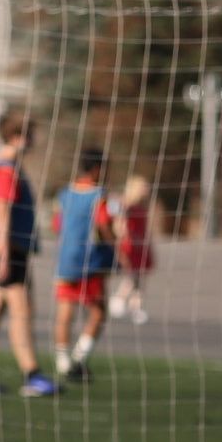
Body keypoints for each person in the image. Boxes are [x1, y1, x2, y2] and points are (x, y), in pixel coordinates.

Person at [0, 113, 56, 397]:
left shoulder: (8, 167)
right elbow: (1, 212)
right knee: (22, 310)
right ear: (18, 136)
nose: (33, 141)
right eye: (29, 134)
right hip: (6, 249)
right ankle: (32, 375)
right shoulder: (6, 170)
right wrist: (4, 253)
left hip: (2, 248)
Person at [51, 148, 116, 386]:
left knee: (65, 311)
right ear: (98, 168)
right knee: (98, 310)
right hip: (91, 261)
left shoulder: (64, 193)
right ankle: (79, 358)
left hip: (66, 258)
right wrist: (115, 245)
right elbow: (102, 222)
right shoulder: (99, 194)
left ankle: (62, 361)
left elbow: (56, 224)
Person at [112, 174, 155, 325]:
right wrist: (123, 234)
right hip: (130, 245)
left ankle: (136, 307)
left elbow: (146, 228)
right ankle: (119, 298)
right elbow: (118, 221)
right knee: (132, 276)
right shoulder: (125, 204)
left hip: (142, 245)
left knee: (140, 278)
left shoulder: (144, 206)